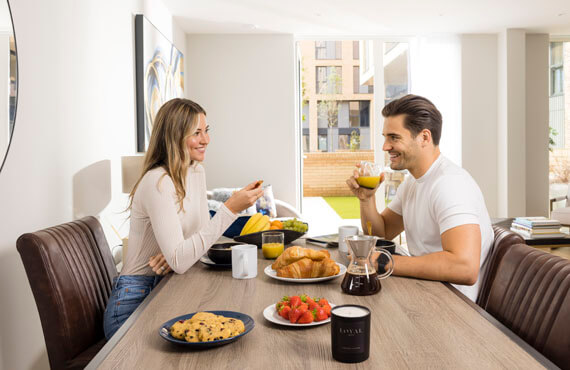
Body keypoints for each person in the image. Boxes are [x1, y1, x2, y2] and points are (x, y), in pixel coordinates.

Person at [103, 98, 263, 339]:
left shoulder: (196, 171)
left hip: (167, 285)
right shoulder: (157, 182)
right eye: (196, 133)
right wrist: (230, 208)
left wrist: (176, 254)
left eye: (206, 131)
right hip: (134, 299)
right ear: (174, 136)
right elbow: (181, 258)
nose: (206, 140)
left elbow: (197, 237)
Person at [346, 94, 493, 302]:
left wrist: (384, 262)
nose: (385, 147)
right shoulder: (413, 182)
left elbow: (465, 267)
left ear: (424, 137)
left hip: (453, 307)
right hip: (425, 291)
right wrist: (366, 199)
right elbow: (383, 232)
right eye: (385, 137)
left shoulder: (450, 184)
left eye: (394, 138)